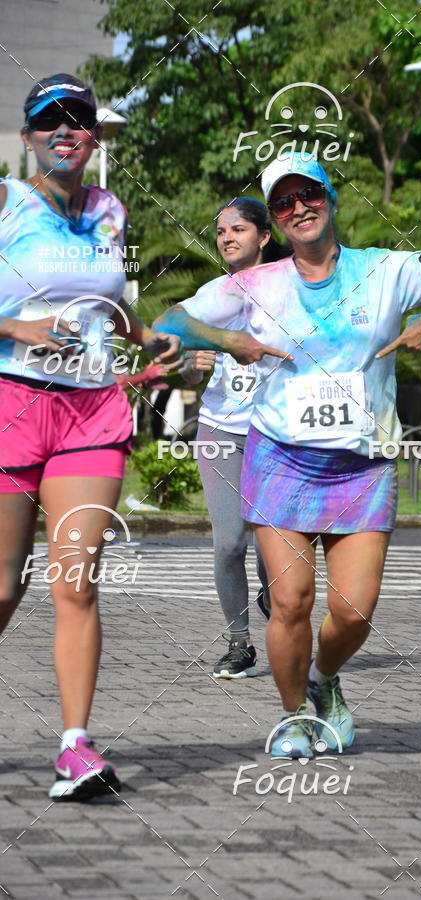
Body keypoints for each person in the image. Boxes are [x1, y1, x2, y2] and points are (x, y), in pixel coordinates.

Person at [154, 152, 421, 758]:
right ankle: (294, 717)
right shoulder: (254, 284)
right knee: (291, 602)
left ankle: (323, 679)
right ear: (276, 220)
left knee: (354, 613)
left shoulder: (386, 269)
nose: (299, 208)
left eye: (308, 194)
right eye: (283, 202)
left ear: (330, 199)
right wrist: (230, 338)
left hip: (362, 466)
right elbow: (171, 319)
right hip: (280, 459)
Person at [0, 74, 180, 799]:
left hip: (91, 411)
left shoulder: (110, 211)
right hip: (12, 403)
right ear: (28, 137)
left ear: (95, 135)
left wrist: (147, 335)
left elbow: (109, 303)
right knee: (4, 585)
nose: (65, 130)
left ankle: (74, 746)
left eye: (78, 118)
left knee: (76, 579)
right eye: (50, 120)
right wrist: (18, 327)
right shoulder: (7, 204)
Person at [180, 198, 290, 678]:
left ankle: (274, 595)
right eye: (221, 231)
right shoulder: (210, 297)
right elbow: (184, 373)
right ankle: (239, 642)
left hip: (278, 434)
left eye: (238, 229)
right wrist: (191, 364)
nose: (227, 237)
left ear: (264, 236)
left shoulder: (293, 289)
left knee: (273, 549)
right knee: (228, 543)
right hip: (220, 430)